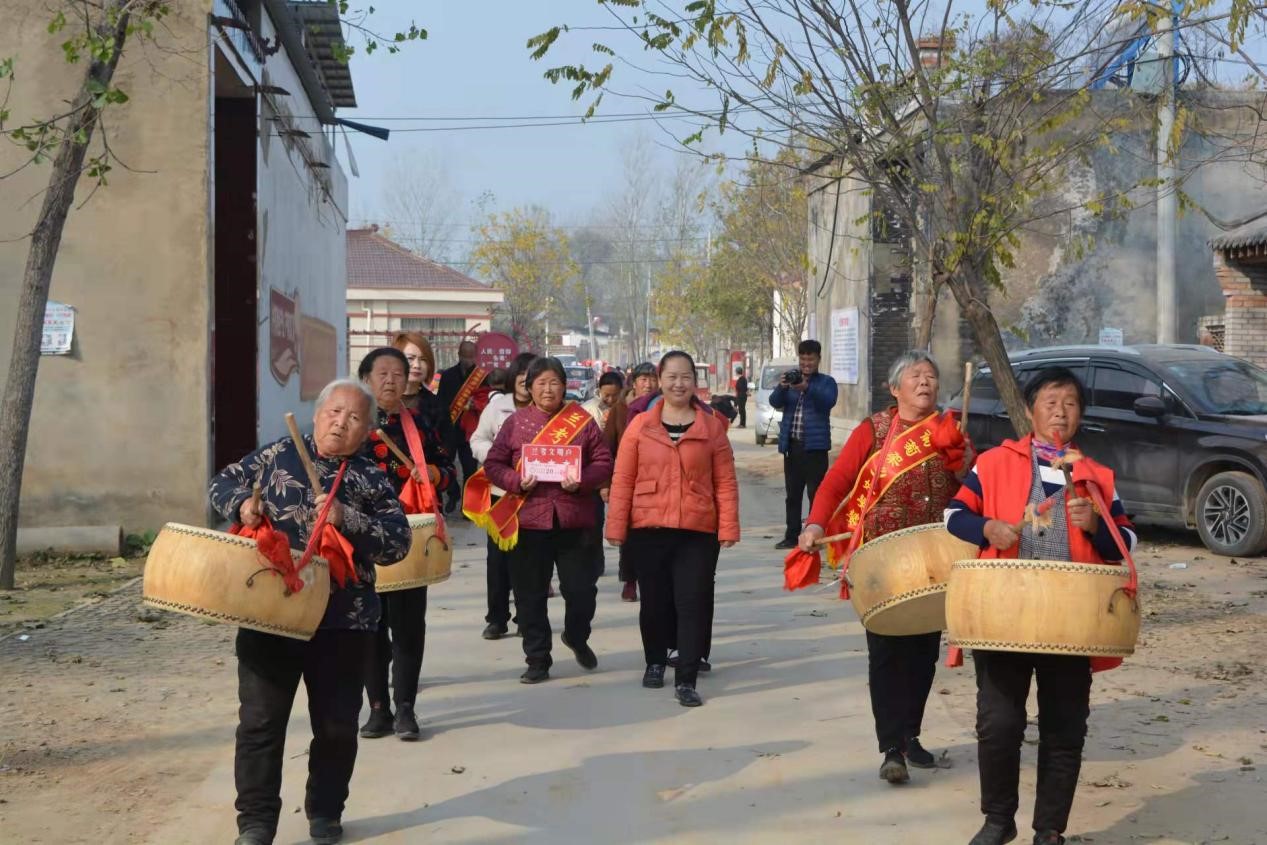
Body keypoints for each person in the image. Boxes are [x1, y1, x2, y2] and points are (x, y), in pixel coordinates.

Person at [209, 379, 411, 845]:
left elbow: (397, 543)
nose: (342, 422)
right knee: (260, 723)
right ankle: (256, 823)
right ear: (317, 415)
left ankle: (325, 812)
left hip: (344, 617)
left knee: (337, 725)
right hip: (270, 610)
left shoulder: (372, 478)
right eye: (334, 412)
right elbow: (221, 484)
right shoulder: (275, 455)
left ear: (366, 431)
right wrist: (243, 506)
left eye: (355, 418)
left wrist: (348, 518)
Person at [944, 367, 1137, 845]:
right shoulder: (994, 463)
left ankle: (1049, 828)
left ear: (1080, 416)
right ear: (1030, 411)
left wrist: (1096, 526)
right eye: (1050, 401)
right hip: (1004, 612)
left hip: (1072, 621)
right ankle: (997, 820)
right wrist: (987, 528)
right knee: (999, 723)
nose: (1060, 411)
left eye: (1070, 403)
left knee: (1064, 727)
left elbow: (1127, 541)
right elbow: (953, 515)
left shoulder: (1096, 477)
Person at [799, 350, 971, 786]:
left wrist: (963, 460)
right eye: (915, 376)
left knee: (923, 654)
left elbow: (970, 486)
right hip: (882, 559)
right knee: (886, 653)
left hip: (933, 559)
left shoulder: (949, 430)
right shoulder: (874, 431)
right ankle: (891, 747)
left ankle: (910, 734)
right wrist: (816, 522)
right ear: (895, 389)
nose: (925, 382)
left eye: (931, 375)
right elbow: (838, 479)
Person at [606, 351, 739, 707]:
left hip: (698, 530)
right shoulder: (640, 427)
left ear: (694, 382)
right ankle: (654, 661)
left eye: (686, 377)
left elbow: (725, 481)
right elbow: (623, 479)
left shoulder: (711, 427)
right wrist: (616, 527)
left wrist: (728, 526)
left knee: (692, 601)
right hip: (648, 528)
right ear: (659, 381)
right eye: (672, 377)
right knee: (654, 602)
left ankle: (687, 677)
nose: (679, 383)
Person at [481, 357, 614, 683]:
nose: (548, 389)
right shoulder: (515, 423)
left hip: (575, 519)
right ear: (529, 388)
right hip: (529, 520)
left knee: (582, 590)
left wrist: (581, 479)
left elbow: (604, 462)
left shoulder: (581, 421)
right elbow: (494, 464)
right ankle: (537, 658)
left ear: (564, 385)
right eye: (540, 383)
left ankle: (576, 635)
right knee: (529, 594)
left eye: (554, 382)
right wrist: (515, 480)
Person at [356, 348, 455, 743]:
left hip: (409, 536)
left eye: (398, 373)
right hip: (361, 538)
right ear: (365, 379)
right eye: (382, 373)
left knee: (409, 625)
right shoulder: (351, 424)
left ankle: (407, 707)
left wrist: (432, 472)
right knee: (369, 627)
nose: (391, 380)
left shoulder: (419, 426)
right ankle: (378, 707)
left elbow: (449, 474)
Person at [470, 351, 538, 640]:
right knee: (497, 560)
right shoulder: (498, 407)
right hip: (501, 493)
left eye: (531, 374)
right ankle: (497, 618)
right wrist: (498, 458)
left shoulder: (551, 411)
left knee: (531, 561)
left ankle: (528, 617)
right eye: (520, 374)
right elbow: (477, 439)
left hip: (536, 497)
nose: (525, 380)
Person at [772, 339, 839, 550]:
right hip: (793, 447)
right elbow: (775, 402)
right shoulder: (791, 380)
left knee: (816, 494)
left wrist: (807, 388)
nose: (806, 363)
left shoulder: (826, 382)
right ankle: (791, 536)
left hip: (816, 449)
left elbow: (828, 401)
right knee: (792, 495)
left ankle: (814, 536)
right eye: (803, 359)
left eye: (810, 359)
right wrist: (783, 387)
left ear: (818, 359)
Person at [615, 362, 660, 601]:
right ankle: (630, 580)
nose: (648, 384)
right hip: (629, 480)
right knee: (629, 535)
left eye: (652, 379)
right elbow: (608, 446)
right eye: (643, 379)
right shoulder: (621, 410)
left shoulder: (666, 407)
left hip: (658, 480)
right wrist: (605, 485)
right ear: (634, 383)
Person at [438, 339, 483, 511]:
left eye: (471, 357)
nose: (468, 360)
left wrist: (476, 405)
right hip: (450, 430)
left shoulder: (481, 378)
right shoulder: (448, 375)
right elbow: (441, 402)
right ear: (459, 355)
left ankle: (467, 505)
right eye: (465, 356)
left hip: (471, 432)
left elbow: (486, 402)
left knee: (470, 469)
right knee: (447, 465)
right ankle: (453, 493)